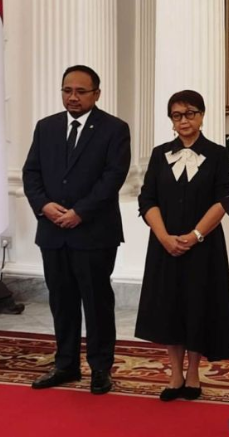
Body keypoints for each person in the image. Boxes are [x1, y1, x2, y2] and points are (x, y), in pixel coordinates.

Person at [23, 65, 131, 394]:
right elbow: (31, 173)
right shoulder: (46, 128)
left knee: (97, 302)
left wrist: (80, 212)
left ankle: (100, 369)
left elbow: (113, 177)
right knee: (62, 300)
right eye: (67, 90)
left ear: (96, 94)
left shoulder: (114, 129)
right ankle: (65, 365)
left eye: (80, 91)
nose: (72, 97)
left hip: (94, 232)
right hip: (53, 231)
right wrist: (44, 205)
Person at [135, 90, 229, 401]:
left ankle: (193, 374)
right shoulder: (159, 154)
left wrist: (195, 235)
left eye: (190, 113)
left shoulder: (218, 155)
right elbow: (147, 199)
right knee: (170, 307)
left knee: (197, 306)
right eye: (177, 115)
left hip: (202, 247)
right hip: (164, 246)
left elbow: (224, 199)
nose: (184, 120)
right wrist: (165, 237)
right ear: (171, 120)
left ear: (203, 115)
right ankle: (175, 374)